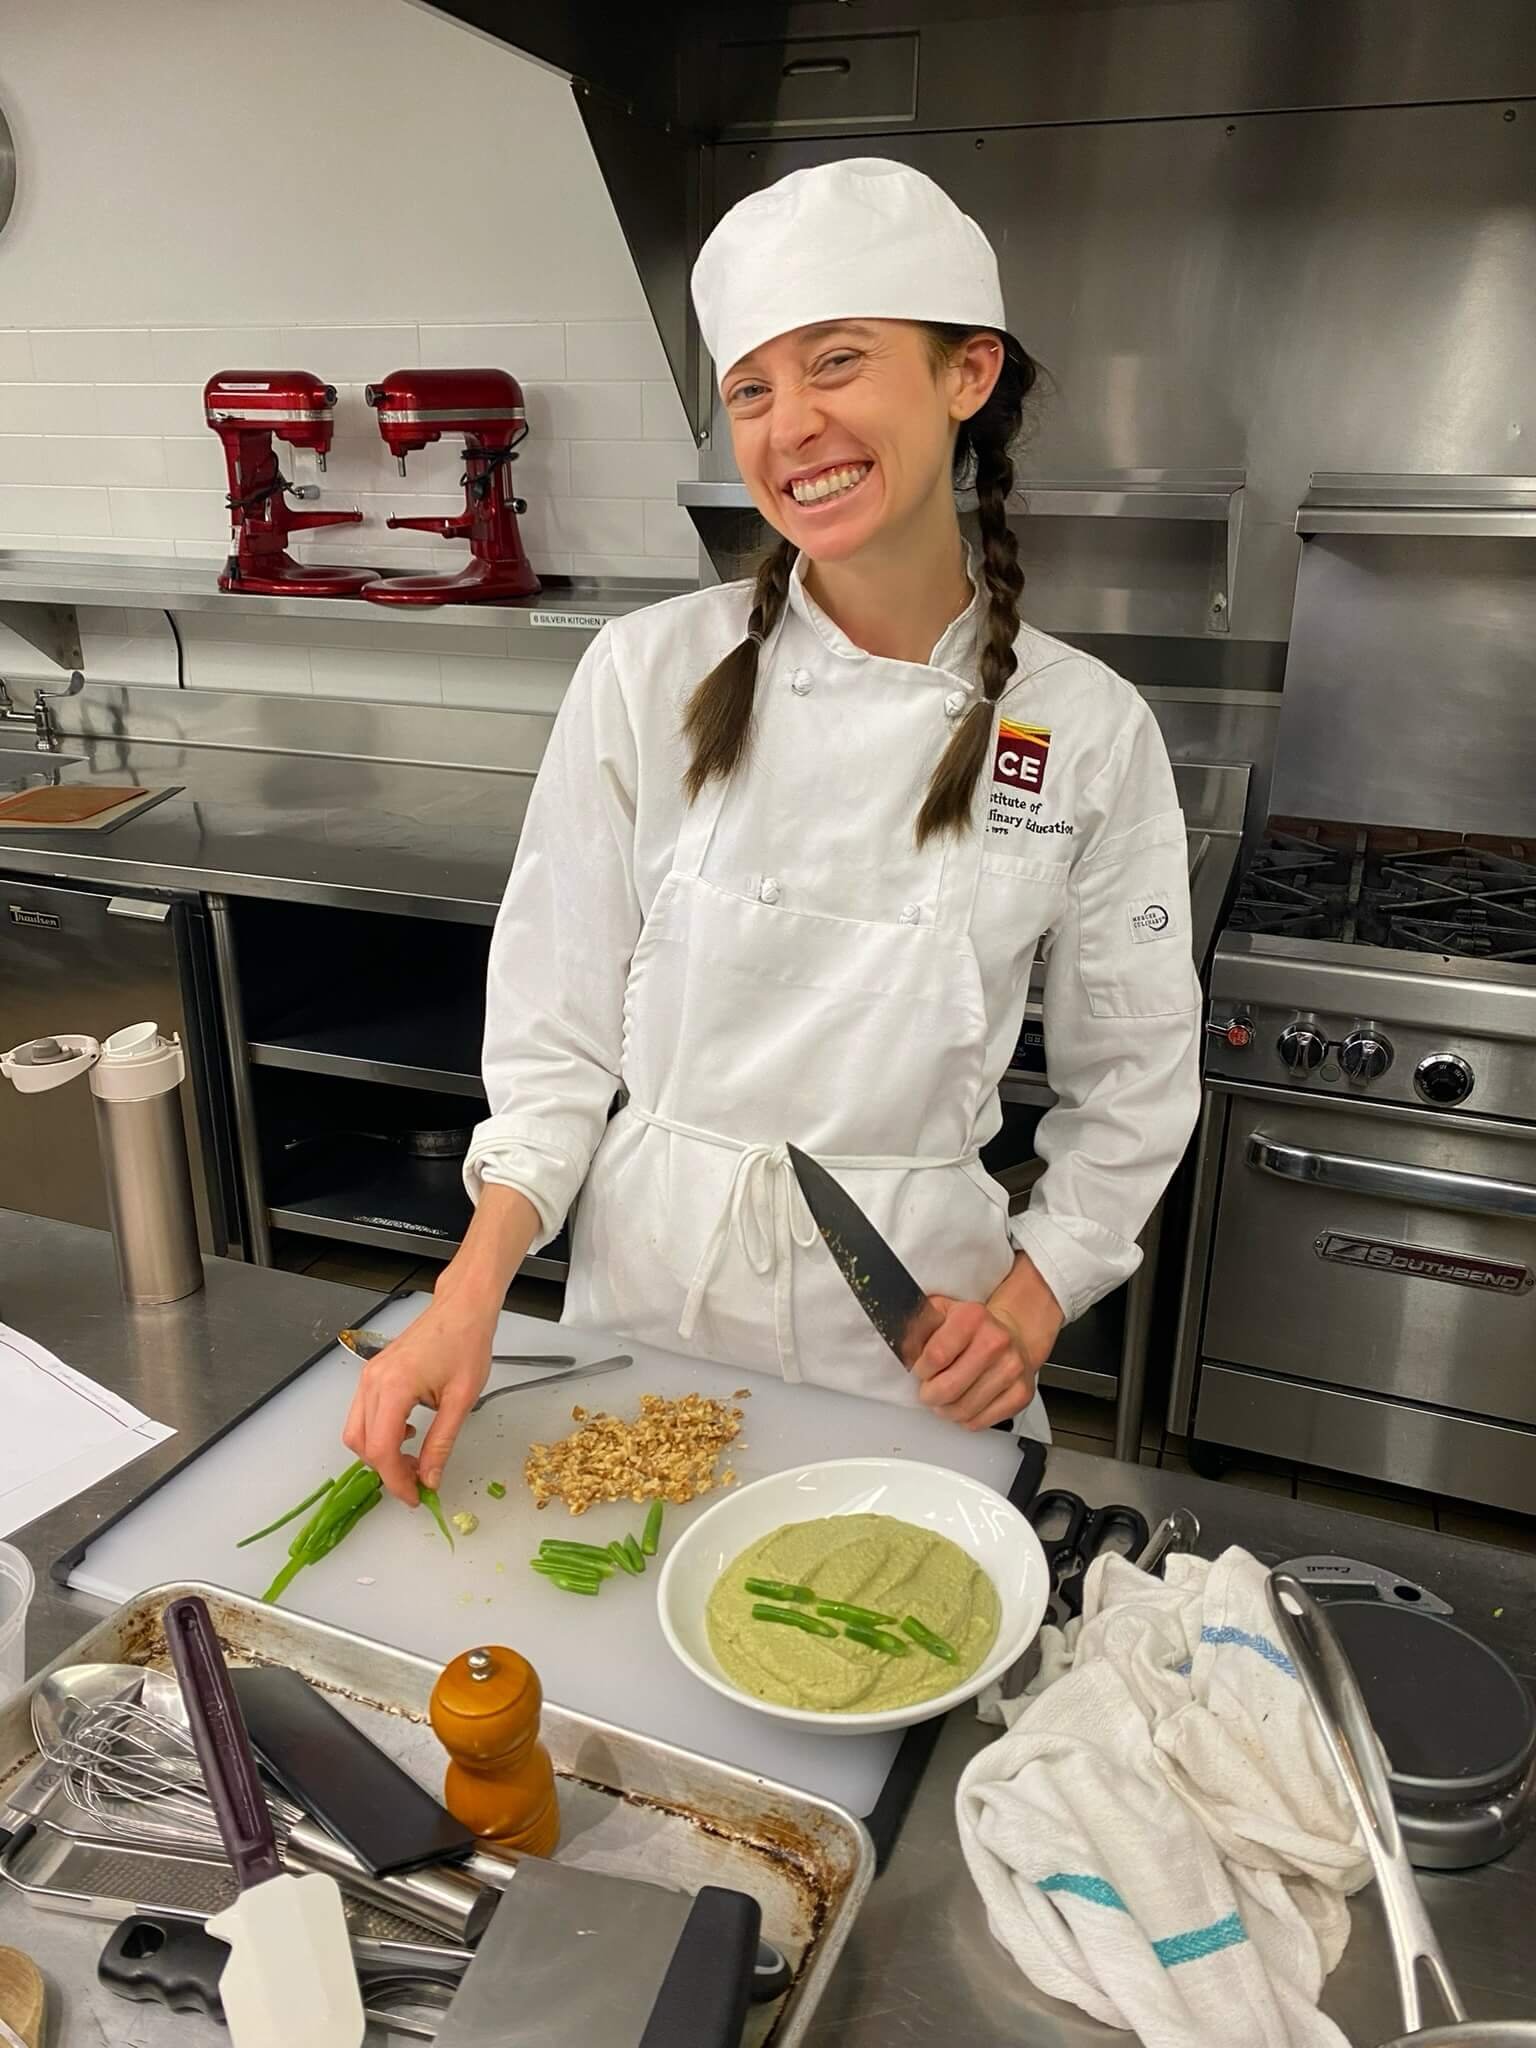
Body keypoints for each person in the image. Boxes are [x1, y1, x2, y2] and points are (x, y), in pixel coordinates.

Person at [345, 158, 1202, 1506]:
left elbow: (1137, 1082)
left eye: (840, 362)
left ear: (967, 374)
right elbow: (557, 1036)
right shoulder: (644, 674)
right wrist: (471, 1287)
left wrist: (1034, 1306)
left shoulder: (1086, 729)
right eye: (752, 388)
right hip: (648, 1298)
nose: (793, 422)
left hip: (912, 1330)